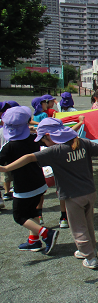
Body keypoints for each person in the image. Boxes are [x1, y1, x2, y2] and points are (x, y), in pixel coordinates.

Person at [0, 117, 98, 269]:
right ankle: (91, 250)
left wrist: (6, 168)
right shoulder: (82, 142)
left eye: (43, 140)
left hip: (72, 196)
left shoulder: (55, 151)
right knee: (88, 223)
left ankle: (90, 258)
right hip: (90, 192)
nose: (43, 144)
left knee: (78, 228)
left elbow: (29, 157)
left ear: (49, 136)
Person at [0, 106, 59, 255]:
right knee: (33, 211)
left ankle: (45, 233)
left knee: (19, 216)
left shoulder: (9, 147)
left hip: (23, 186)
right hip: (39, 182)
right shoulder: (33, 138)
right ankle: (34, 240)